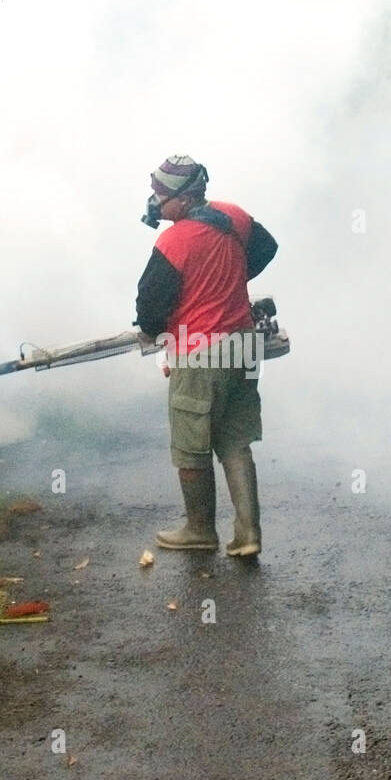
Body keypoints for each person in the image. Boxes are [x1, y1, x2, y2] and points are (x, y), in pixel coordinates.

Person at [134, 155, 278, 557]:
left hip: (200, 354)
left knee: (191, 444)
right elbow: (267, 248)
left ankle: (199, 529)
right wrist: (228, 278)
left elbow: (149, 309)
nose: (155, 201)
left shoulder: (173, 241)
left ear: (182, 197)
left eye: (161, 194)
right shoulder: (233, 216)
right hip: (244, 345)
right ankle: (249, 536)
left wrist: (160, 326)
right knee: (234, 440)